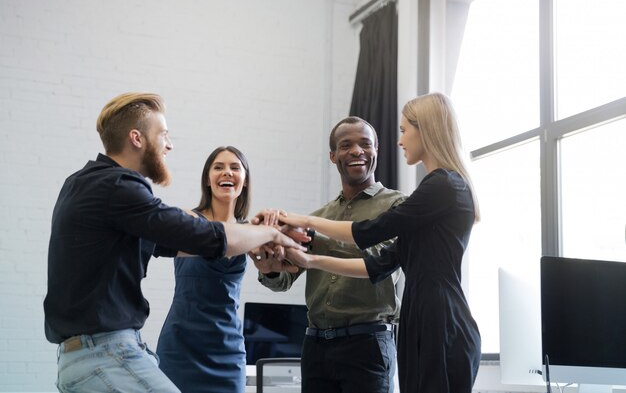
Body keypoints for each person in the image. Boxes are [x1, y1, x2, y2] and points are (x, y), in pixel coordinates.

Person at [43, 92, 303, 393]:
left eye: (235, 167)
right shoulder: (119, 187)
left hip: (90, 356)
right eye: (163, 135)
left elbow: (188, 242)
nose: (169, 145)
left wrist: (263, 240)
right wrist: (272, 233)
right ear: (137, 138)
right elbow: (205, 237)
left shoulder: (83, 183)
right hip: (106, 354)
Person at [277, 93, 482, 393]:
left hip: (439, 318)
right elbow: (378, 264)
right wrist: (310, 261)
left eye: (404, 130)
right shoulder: (433, 190)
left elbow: (369, 232)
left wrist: (303, 221)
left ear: (425, 128)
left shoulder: (442, 186)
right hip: (419, 316)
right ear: (333, 154)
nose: (400, 141)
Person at [252, 116, 406, 393]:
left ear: (376, 150)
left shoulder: (397, 205)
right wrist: (270, 267)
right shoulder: (318, 217)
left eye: (365, 144)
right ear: (333, 156)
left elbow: (381, 260)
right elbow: (283, 281)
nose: (357, 151)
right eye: (346, 145)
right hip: (315, 346)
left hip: (368, 344)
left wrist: (314, 240)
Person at [156, 146, 254, 393]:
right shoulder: (186, 220)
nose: (227, 173)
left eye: (235, 167)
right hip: (181, 347)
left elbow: (273, 272)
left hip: (227, 349)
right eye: (218, 167)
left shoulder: (250, 232)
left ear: (244, 180)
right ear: (208, 180)